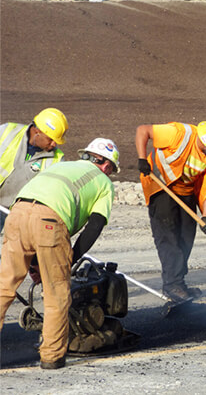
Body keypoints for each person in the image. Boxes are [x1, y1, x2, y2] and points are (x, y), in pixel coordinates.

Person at [0, 138, 120, 369]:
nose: (110, 173)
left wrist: (35, 262)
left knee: (4, 287)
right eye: (112, 170)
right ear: (106, 165)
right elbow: (94, 226)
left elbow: (33, 213)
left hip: (16, 215)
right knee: (57, 293)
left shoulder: (61, 166)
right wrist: (71, 257)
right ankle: (52, 356)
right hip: (49, 222)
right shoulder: (104, 182)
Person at [136, 120, 206, 303]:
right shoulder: (179, 134)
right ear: (205, 143)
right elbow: (143, 130)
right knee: (168, 238)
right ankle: (172, 284)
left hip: (186, 193)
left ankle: (179, 283)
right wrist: (142, 159)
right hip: (161, 187)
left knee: (186, 238)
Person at [0, 108, 68, 232]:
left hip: (14, 213)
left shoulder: (56, 159)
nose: (54, 144)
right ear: (37, 131)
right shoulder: (7, 131)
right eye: (51, 139)